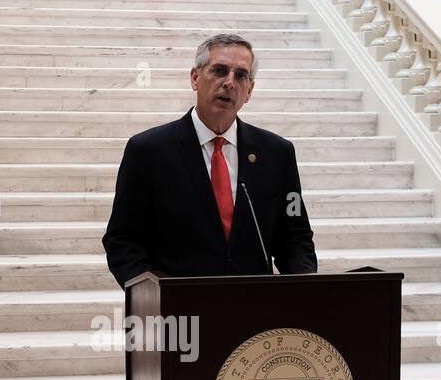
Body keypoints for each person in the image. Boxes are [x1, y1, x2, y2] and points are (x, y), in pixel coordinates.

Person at [101, 33, 318, 288]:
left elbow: (295, 237)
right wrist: (152, 293)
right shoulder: (148, 151)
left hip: (255, 313)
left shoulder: (278, 154)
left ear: (249, 90)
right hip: (176, 315)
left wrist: (304, 290)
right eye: (219, 71)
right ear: (195, 78)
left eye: (241, 75)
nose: (229, 83)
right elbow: (122, 240)